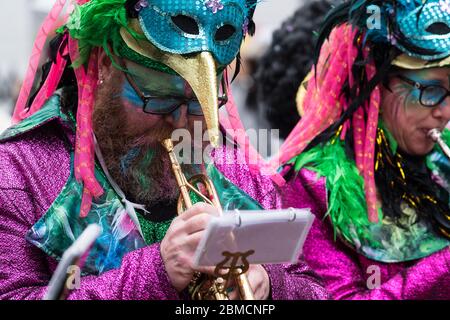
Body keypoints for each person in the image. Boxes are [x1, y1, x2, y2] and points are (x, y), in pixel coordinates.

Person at [0, 0, 329, 300]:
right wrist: (154, 272)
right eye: (159, 98)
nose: (181, 122)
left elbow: (314, 288)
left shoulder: (241, 172)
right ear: (104, 67)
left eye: (198, 105)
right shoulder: (18, 170)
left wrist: (270, 285)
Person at [270, 0, 450, 299]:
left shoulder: (441, 162)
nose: (445, 112)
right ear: (376, 86)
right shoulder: (315, 184)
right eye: (431, 90)